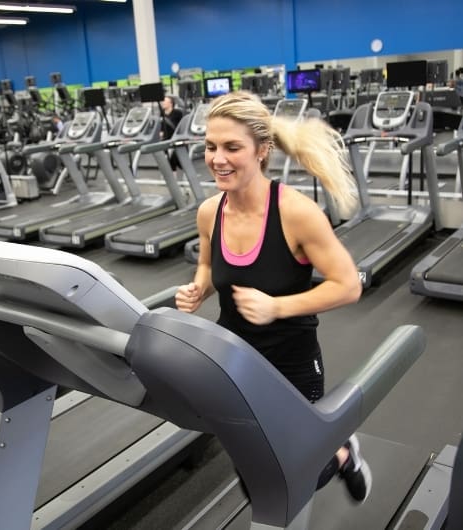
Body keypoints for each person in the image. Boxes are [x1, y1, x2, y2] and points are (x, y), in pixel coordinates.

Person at [175, 91, 371, 503]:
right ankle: (331, 451)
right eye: (210, 147)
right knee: (256, 480)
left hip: (292, 361)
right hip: (232, 358)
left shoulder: (296, 213)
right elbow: (210, 265)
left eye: (232, 147)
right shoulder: (210, 211)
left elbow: (348, 284)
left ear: (262, 150)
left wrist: (277, 306)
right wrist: (199, 288)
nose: (217, 158)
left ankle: (341, 452)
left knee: (300, 475)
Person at [160, 94, 184, 172]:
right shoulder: (162, 114)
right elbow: (162, 126)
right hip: (166, 139)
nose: (163, 103)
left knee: (177, 161)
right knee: (169, 162)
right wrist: (161, 133)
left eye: (165, 102)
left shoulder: (177, 113)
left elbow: (181, 125)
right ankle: (173, 180)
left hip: (175, 139)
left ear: (170, 103)